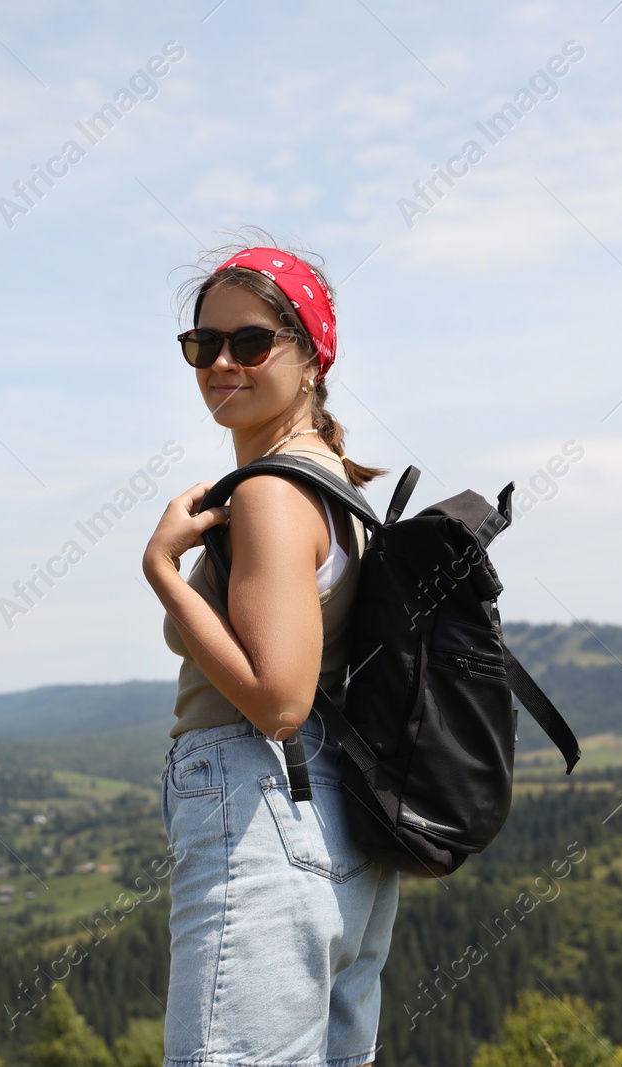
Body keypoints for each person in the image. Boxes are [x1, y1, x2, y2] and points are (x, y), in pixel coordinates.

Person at [143, 238, 400, 1066]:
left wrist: (161, 570)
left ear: (312, 354)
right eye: (202, 344)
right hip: (340, 820)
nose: (222, 362)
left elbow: (279, 698)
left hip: (256, 801)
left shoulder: (268, 492)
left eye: (251, 342)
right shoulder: (334, 482)